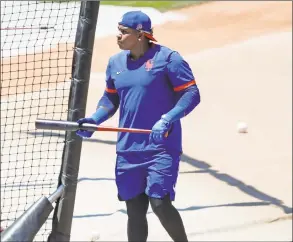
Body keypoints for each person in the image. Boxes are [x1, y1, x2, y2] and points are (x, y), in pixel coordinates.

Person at [76, 10, 201, 242]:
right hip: (128, 150)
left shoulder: (168, 59)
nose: (118, 36)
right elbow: (110, 99)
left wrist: (167, 118)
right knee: (134, 211)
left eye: (124, 32)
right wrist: (95, 119)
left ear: (141, 35)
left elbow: (191, 94)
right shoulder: (115, 63)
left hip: (161, 147)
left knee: (160, 203)